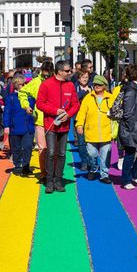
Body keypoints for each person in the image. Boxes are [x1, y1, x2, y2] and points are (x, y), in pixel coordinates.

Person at [36, 60, 80, 193]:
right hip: (51, 125)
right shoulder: (46, 84)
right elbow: (40, 104)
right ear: (59, 71)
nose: (70, 72)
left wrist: (68, 114)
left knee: (61, 153)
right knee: (50, 152)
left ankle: (58, 180)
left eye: (70, 70)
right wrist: (55, 111)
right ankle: (49, 180)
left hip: (64, 125)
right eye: (67, 71)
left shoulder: (70, 85)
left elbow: (75, 104)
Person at [19, 61, 54, 181]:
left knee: (54, 150)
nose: (47, 76)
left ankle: (54, 173)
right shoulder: (35, 82)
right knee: (42, 149)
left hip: (55, 121)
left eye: (49, 74)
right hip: (40, 121)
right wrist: (26, 106)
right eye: (45, 74)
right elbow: (22, 92)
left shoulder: (57, 82)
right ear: (41, 71)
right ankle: (44, 174)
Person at [75, 75, 114, 183]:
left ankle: (104, 174)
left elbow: (115, 113)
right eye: (95, 84)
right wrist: (79, 125)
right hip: (91, 132)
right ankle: (93, 168)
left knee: (105, 155)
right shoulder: (88, 98)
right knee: (92, 154)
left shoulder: (110, 97)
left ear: (104, 86)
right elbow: (82, 112)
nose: (96, 86)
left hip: (106, 132)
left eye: (99, 84)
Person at [119, 65, 137, 189]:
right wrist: (133, 127)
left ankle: (135, 174)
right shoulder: (131, 90)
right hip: (133, 127)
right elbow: (128, 112)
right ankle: (126, 180)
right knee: (130, 153)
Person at [3, 73, 35, 176]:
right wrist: (6, 126)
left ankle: (26, 165)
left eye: (24, 83)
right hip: (15, 127)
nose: (23, 86)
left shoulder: (30, 97)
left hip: (28, 126)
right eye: (21, 84)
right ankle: (17, 165)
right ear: (16, 85)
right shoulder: (11, 98)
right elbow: (7, 112)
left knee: (28, 146)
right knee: (16, 147)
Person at [74, 70, 92, 170]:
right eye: (83, 77)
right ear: (78, 78)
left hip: (90, 118)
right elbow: (75, 98)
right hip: (78, 117)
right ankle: (84, 161)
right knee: (81, 141)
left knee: (90, 141)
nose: (85, 79)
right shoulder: (75, 87)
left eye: (86, 77)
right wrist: (85, 92)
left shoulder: (92, 87)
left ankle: (91, 160)